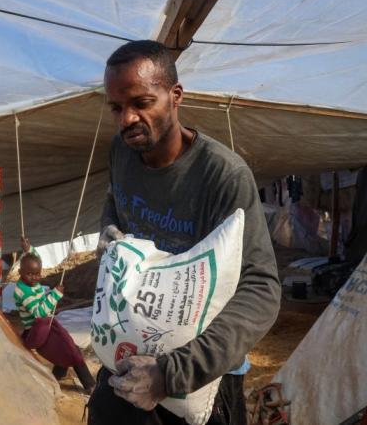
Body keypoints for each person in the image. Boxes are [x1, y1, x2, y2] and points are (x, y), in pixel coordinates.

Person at [88, 40, 280, 424]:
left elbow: (261, 289)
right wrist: (110, 230)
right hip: (127, 355)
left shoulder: (223, 176)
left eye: (141, 103)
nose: (126, 119)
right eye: (116, 107)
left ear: (175, 96)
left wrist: (172, 373)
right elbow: (116, 199)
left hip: (197, 377)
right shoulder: (121, 151)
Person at [14, 246, 96, 393]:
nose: (34, 278)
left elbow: (35, 259)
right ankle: (90, 385)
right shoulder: (22, 291)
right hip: (36, 331)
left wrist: (29, 249)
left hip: (47, 325)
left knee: (65, 346)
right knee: (72, 350)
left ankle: (59, 374)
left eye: (37, 274)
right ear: (20, 273)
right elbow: (39, 312)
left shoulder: (29, 281)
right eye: (30, 274)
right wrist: (55, 295)